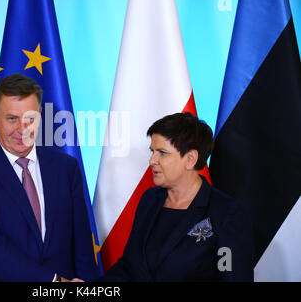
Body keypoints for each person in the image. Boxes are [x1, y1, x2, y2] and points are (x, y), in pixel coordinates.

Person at [0, 73, 97, 282]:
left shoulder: (66, 167)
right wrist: (52, 281)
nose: (22, 129)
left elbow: (81, 243)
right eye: (12, 119)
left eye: (30, 118)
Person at [100, 112, 254, 282]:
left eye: (162, 153)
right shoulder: (149, 200)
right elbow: (129, 268)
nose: (152, 160)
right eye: (152, 151)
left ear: (190, 159)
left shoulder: (227, 213)